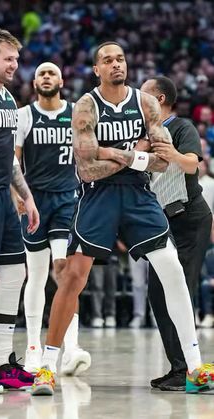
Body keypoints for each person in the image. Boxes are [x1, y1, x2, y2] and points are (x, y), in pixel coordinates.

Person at [31, 42, 214, 396]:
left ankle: (194, 368)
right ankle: (47, 367)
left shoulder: (145, 103)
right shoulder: (86, 105)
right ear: (96, 69)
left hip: (138, 194)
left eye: (121, 59)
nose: (116, 64)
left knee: (172, 268)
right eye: (107, 60)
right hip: (98, 196)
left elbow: (162, 160)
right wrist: (132, 152)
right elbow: (85, 167)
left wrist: (109, 152)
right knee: (73, 277)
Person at [15, 62, 91, 375]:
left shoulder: (76, 113)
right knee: (35, 275)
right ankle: (33, 347)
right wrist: (17, 195)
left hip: (66, 201)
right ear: (34, 83)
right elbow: (13, 160)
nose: (47, 76)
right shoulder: (23, 116)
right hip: (34, 203)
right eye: (41, 73)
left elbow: (89, 155)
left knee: (65, 273)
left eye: (52, 72)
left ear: (62, 80)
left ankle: (69, 348)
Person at [140, 76, 213, 391]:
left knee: (182, 292)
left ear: (158, 97)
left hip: (190, 220)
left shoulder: (181, 127)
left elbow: (192, 165)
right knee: (157, 293)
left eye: (142, 94)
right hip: (163, 224)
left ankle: (188, 369)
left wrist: (168, 152)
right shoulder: (142, 134)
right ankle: (179, 367)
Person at [0, 29, 40, 394]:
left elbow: (8, 160)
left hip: (3, 195)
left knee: (15, 275)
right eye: (7, 58)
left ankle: (0, 359)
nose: (14, 65)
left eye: (17, 59)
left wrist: (27, 197)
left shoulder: (8, 98)